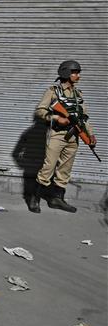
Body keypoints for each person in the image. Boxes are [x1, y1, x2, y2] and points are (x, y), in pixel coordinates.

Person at [27, 60, 96, 213]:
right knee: (48, 167)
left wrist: (90, 135)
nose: (78, 76)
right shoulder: (53, 91)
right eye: (75, 72)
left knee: (65, 170)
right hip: (57, 135)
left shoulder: (78, 94)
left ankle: (56, 199)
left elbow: (84, 117)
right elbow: (40, 111)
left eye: (78, 73)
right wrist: (57, 118)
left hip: (74, 136)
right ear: (66, 73)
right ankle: (34, 198)